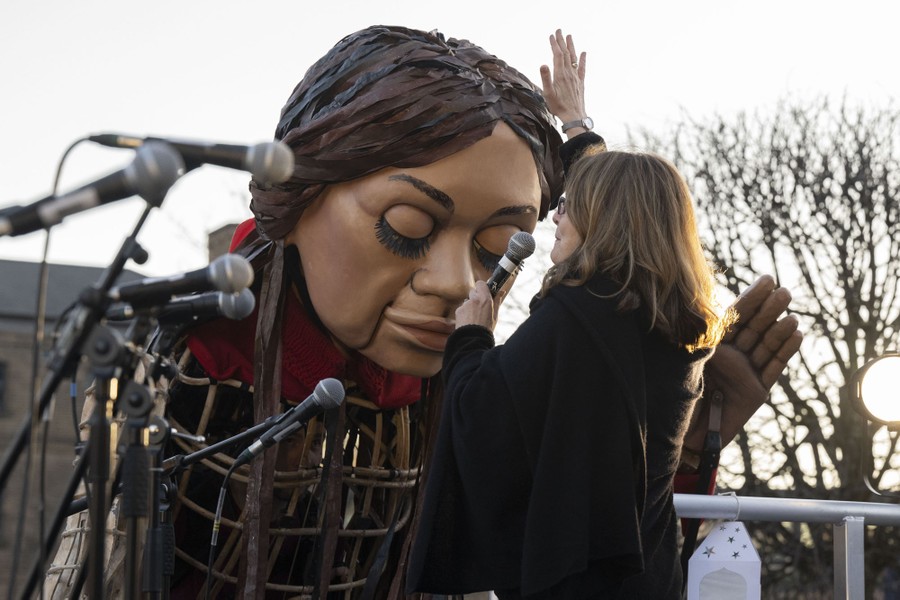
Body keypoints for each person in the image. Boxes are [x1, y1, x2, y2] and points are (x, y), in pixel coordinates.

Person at [46, 26, 801, 600]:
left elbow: (555, 517)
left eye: (502, 250)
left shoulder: (474, 387)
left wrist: (678, 440)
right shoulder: (195, 352)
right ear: (298, 197)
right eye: (406, 229)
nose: (453, 282)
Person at [407, 147, 740, 598]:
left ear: (602, 214)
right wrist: (580, 130)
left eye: (566, 205)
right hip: (650, 576)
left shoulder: (576, 317)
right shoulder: (683, 330)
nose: (554, 219)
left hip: (578, 580)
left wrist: (471, 338)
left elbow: (481, 418)